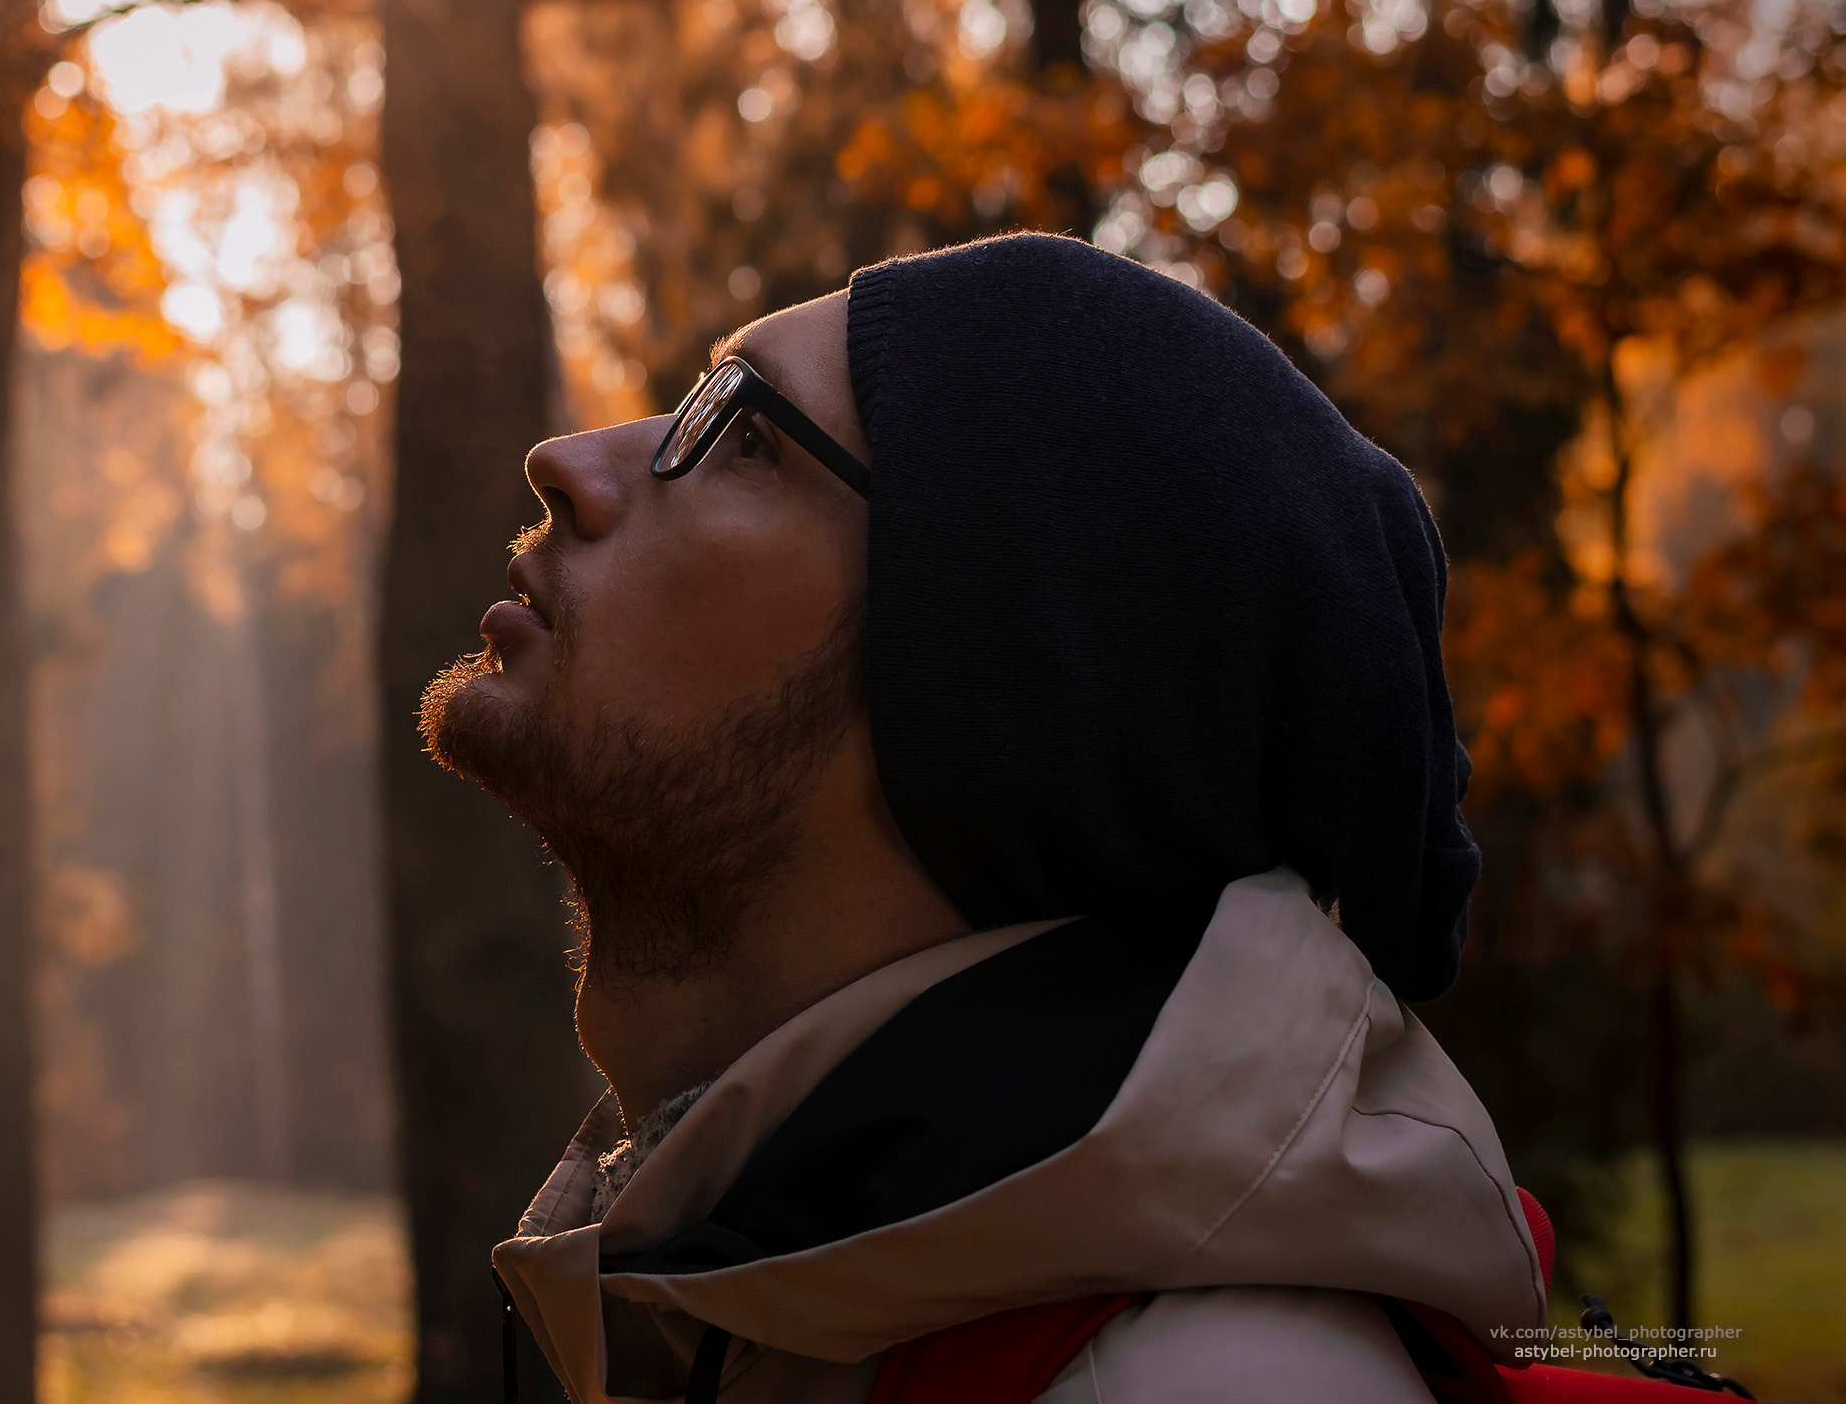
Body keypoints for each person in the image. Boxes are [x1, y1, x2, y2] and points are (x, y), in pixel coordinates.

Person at [419, 233, 1546, 1403]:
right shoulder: (771, 1300)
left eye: (742, 433)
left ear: (989, 692)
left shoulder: (1187, 1384)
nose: (564, 460)